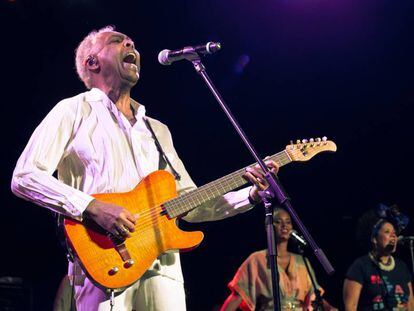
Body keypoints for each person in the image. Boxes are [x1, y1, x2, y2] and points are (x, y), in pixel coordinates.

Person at [11, 25, 278, 311]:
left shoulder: (157, 131)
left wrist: (247, 196)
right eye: (118, 41)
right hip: (104, 260)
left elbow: (190, 201)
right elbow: (25, 176)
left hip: (163, 267)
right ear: (92, 62)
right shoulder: (74, 110)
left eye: (132, 43)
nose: (130, 43)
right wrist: (93, 207)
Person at [221, 208, 337, 311]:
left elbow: (315, 296)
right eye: (278, 221)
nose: (284, 225)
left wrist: (330, 308)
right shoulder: (256, 259)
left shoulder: (302, 261)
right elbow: (237, 295)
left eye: (288, 222)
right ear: (269, 227)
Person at [343, 204, 414, 310]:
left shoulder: (402, 267)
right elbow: (351, 307)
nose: (393, 235)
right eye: (387, 232)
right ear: (374, 239)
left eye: (394, 233)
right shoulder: (361, 266)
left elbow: (411, 304)